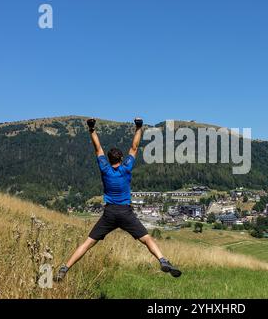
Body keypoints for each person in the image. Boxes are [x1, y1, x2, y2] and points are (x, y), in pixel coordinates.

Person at [55, 118, 181, 281]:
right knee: (147, 239)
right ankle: (163, 260)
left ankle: (65, 268)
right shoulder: (126, 167)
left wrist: (92, 129)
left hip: (109, 213)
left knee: (87, 243)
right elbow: (134, 147)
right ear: (121, 158)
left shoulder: (104, 168)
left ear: (109, 159)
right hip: (125, 212)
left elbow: (98, 148)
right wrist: (138, 127)